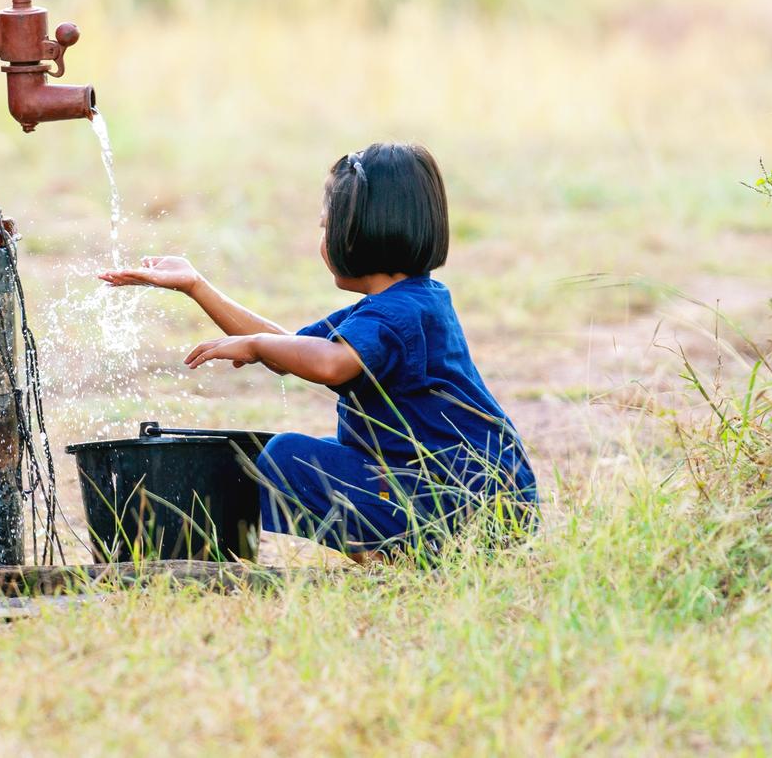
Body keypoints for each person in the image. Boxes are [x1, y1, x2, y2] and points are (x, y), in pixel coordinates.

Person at [99, 142, 537, 560]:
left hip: (463, 502)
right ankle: (417, 553)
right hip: (484, 498)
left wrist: (256, 344)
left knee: (288, 458)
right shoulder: (410, 301)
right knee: (323, 457)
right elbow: (291, 348)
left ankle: (405, 560)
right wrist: (196, 286)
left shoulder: (394, 315)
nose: (322, 239)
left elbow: (327, 364)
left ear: (357, 233)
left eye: (326, 226)